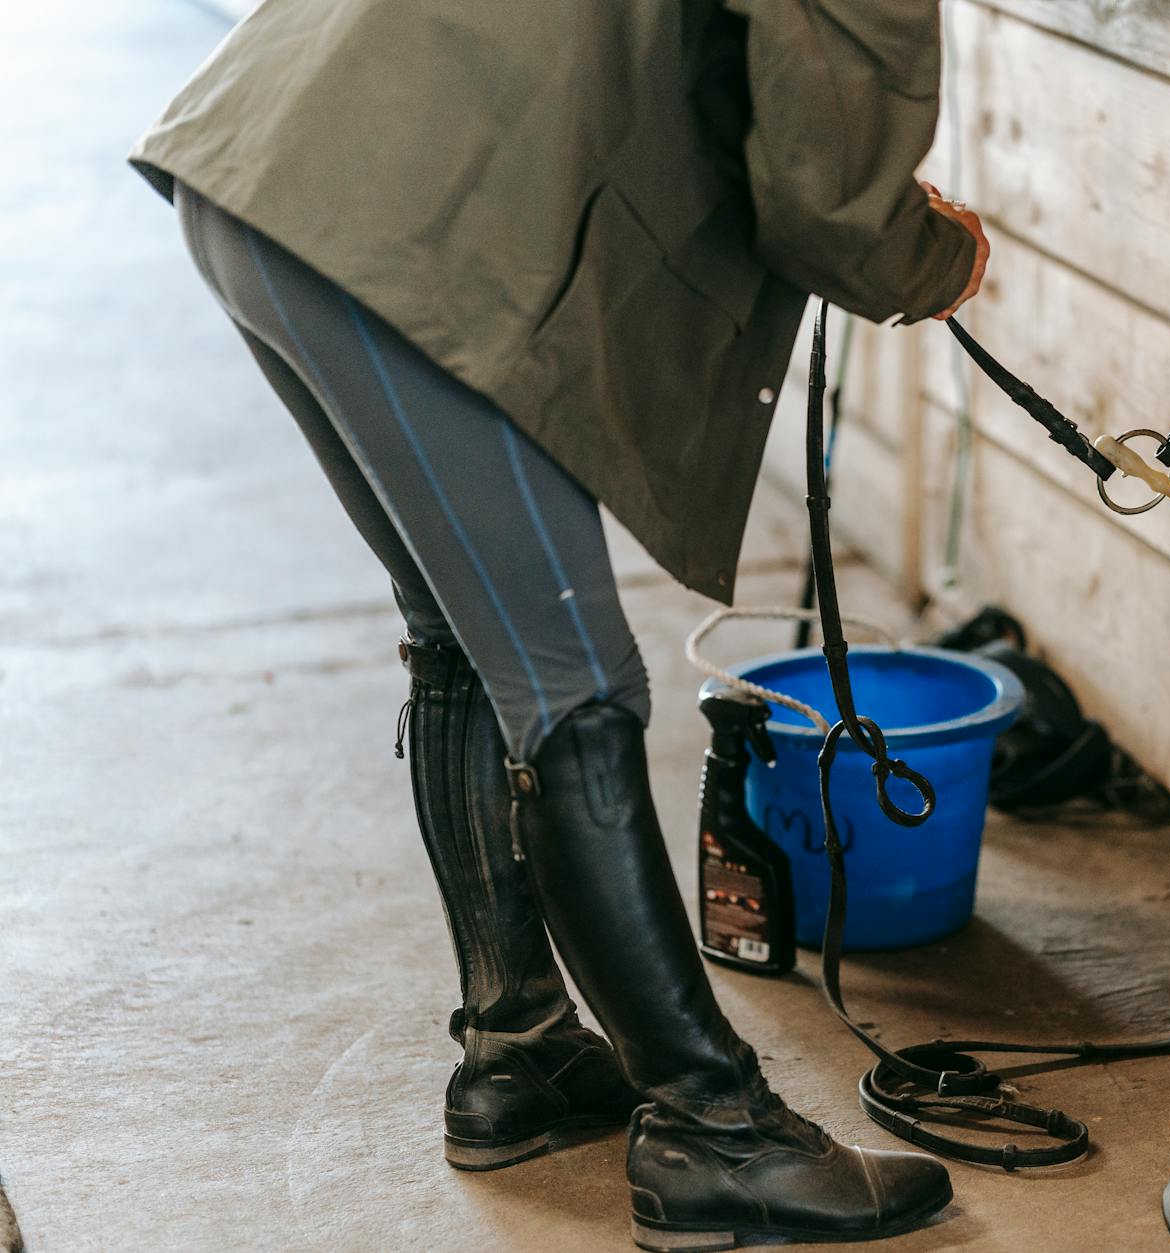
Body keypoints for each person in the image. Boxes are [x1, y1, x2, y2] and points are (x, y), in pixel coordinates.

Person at [127, 2, 989, 1249]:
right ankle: (712, 1130)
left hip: (271, 158)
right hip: (383, 223)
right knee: (571, 687)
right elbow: (831, 207)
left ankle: (518, 1051)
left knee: (462, 634)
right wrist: (938, 258)